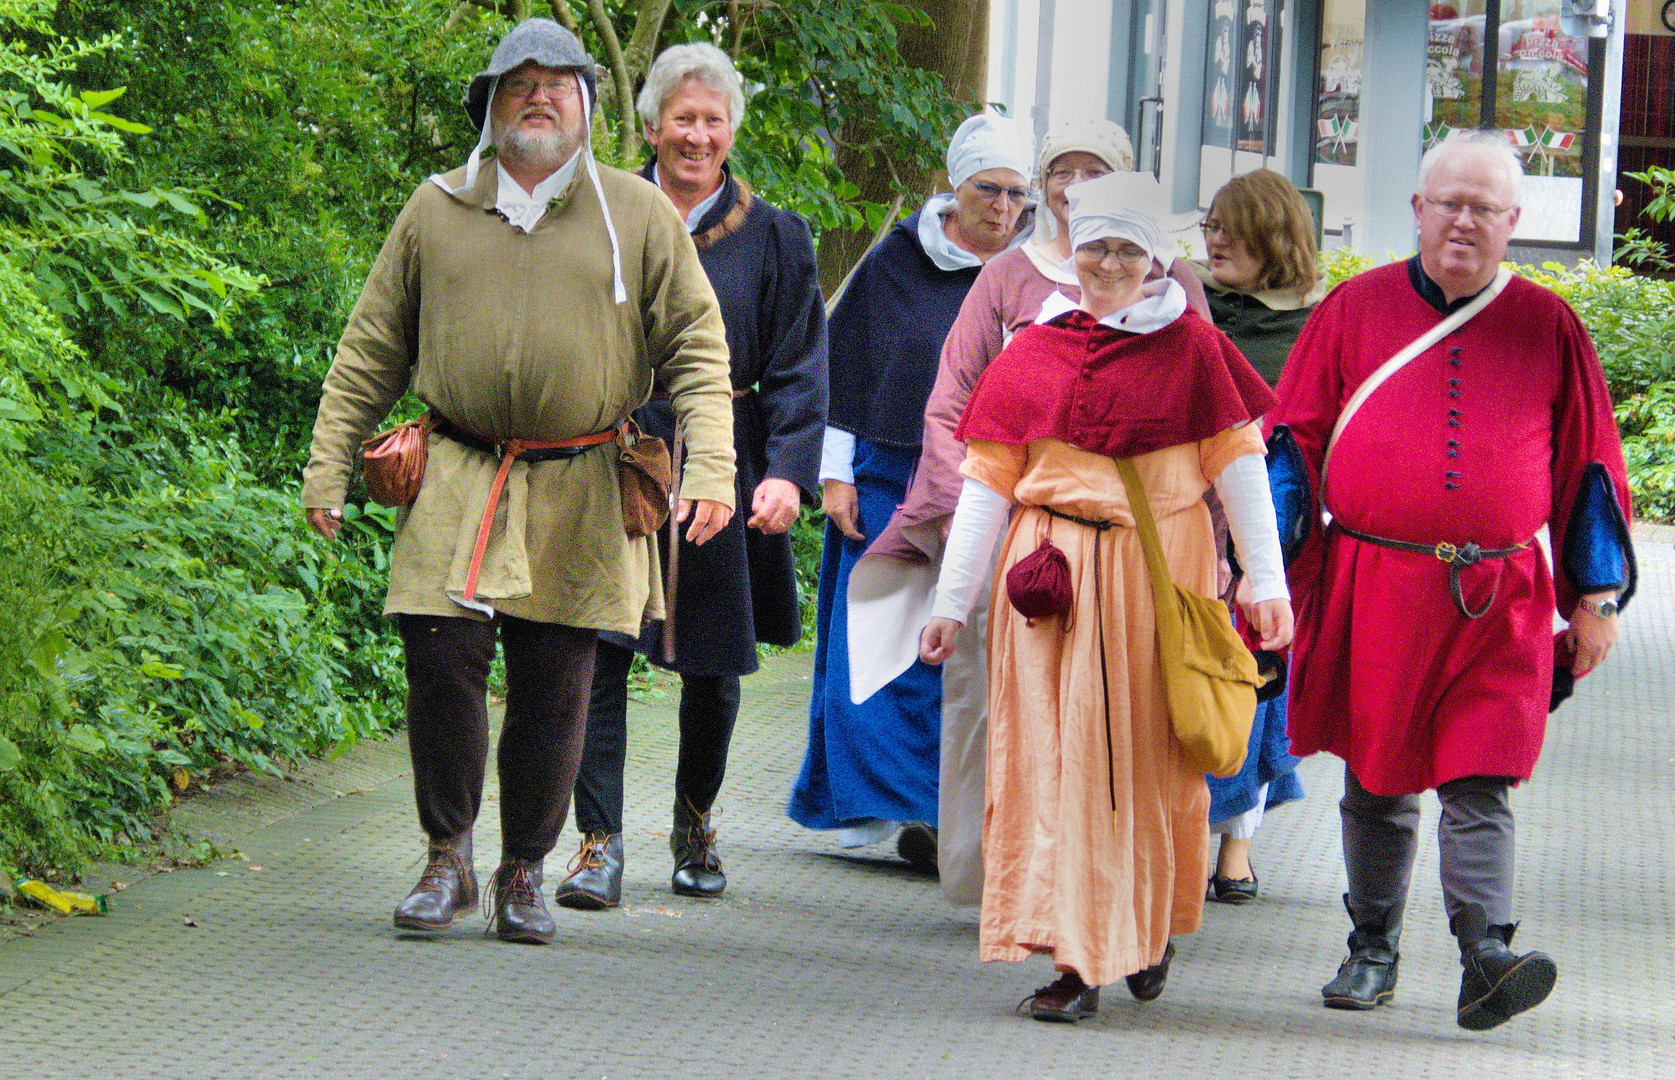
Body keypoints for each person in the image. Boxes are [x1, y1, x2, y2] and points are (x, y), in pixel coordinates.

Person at [300, 19, 736, 945]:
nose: (540, 96)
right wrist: (327, 464)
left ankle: (524, 869)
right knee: (440, 654)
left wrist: (716, 467)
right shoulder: (435, 208)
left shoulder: (638, 214)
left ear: (587, 106)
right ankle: (446, 857)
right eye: (519, 83)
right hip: (457, 465)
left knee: (557, 675)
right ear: (490, 105)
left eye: (559, 84)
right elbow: (371, 345)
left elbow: (697, 348)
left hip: (582, 478)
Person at [1271, 131, 1634, 1029]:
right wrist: (1263, 569)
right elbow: (1292, 444)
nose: (1462, 221)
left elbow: (1589, 466)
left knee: (1480, 774)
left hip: (1497, 597)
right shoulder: (1350, 311)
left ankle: (1485, 954)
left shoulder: (1548, 325)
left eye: (1483, 208)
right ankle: (1371, 948)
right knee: (1378, 779)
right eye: (1448, 202)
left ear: (1513, 222)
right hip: (1373, 583)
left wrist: (1591, 599)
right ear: (1417, 208)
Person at [919, 170, 1292, 1022]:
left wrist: (1265, 585)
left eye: (1128, 248)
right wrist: (949, 602)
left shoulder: (1194, 350)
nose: (1110, 264)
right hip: (1043, 585)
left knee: (1136, 770)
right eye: (1095, 248)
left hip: (1150, 581)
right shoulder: (1034, 349)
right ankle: (1074, 954)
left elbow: (1238, 470)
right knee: (1049, 767)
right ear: (1071, 252)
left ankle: (1138, 926)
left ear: (1157, 256)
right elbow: (986, 481)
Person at [849, 118, 1211, 901]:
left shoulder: (1173, 282)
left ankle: (1105, 878)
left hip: (1128, 539)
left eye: (1094, 171)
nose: (1073, 187)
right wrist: (973, 510)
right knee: (987, 697)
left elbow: (1209, 422)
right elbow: (951, 404)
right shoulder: (1007, 277)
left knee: (1115, 704)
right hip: (1003, 527)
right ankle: (991, 872)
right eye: (1061, 170)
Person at [556, 42, 827, 909]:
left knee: (710, 666)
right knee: (594, 652)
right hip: (610, 452)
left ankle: (695, 822)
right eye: (682, 119)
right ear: (649, 125)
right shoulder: (595, 213)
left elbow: (797, 365)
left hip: (726, 462)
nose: (697, 135)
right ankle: (597, 843)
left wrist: (786, 472)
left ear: (731, 130)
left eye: (712, 120)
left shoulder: (776, 236)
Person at [787, 113, 1033, 866]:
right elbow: (845, 363)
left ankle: (940, 811)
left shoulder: (1032, 275)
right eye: (986, 189)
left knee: (957, 650)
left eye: (1015, 194)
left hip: (992, 485)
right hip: (889, 476)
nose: (1001, 207)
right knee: (876, 644)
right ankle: (874, 803)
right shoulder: (895, 260)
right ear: (954, 188)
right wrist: (834, 473)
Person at [1189, 169, 1325, 903]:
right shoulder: (1189, 310)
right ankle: (1185, 827)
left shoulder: (1313, 325)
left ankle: (1236, 845)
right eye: (1210, 224)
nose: (1214, 239)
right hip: (1190, 518)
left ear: (1273, 237)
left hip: (1276, 526)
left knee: (1257, 683)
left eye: (1231, 227)